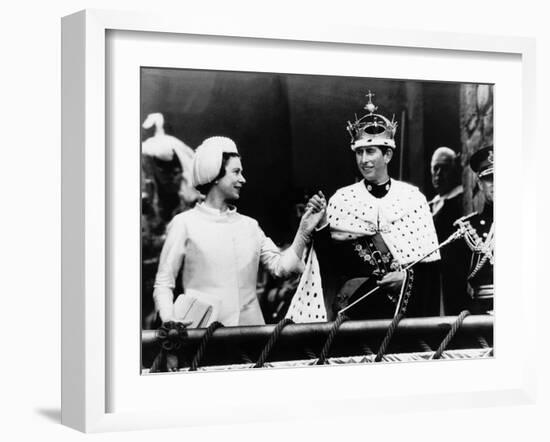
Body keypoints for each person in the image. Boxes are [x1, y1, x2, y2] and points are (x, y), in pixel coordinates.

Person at [287, 91, 440, 322]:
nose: (364, 160)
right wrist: (322, 224)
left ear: (387, 155)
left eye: (370, 151)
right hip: (358, 310)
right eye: (359, 152)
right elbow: (331, 265)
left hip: (403, 312)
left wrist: (405, 279)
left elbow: (431, 267)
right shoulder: (342, 199)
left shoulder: (412, 199)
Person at [152, 136, 323, 327]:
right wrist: (169, 320)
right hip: (201, 338)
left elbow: (281, 268)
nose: (243, 179)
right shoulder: (184, 223)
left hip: (250, 337)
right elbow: (163, 284)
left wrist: (303, 231)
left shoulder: (250, 226)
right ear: (215, 175)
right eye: (236, 172)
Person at [428, 147, 470, 315]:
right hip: (433, 279)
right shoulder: (431, 205)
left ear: (455, 170)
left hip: (453, 278)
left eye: (444, 168)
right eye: (435, 168)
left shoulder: (460, 200)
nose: (438, 174)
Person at [454, 145, 494, 314]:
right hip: (483, 320)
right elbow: (455, 294)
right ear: (480, 183)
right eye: (490, 178)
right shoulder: (467, 230)